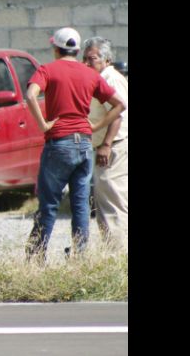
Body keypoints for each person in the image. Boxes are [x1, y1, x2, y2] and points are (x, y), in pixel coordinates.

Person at [25, 27, 126, 260]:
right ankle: (79, 256)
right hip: (84, 145)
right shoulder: (90, 74)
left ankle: (36, 256)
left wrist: (42, 124)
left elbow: (31, 95)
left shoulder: (47, 70)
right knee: (80, 204)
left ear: (55, 49)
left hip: (59, 142)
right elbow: (119, 105)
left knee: (49, 202)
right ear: (77, 50)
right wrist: (95, 127)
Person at [82, 37, 128, 250]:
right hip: (106, 147)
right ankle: (113, 252)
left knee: (112, 202)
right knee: (105, 200)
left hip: (114, 148)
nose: (87, 64)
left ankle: (118, 256)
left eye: (92, 59)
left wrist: (106, 144)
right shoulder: (100, 78)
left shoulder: (110, 78)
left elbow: (118, 113)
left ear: (106, 59)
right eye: (85, 59)